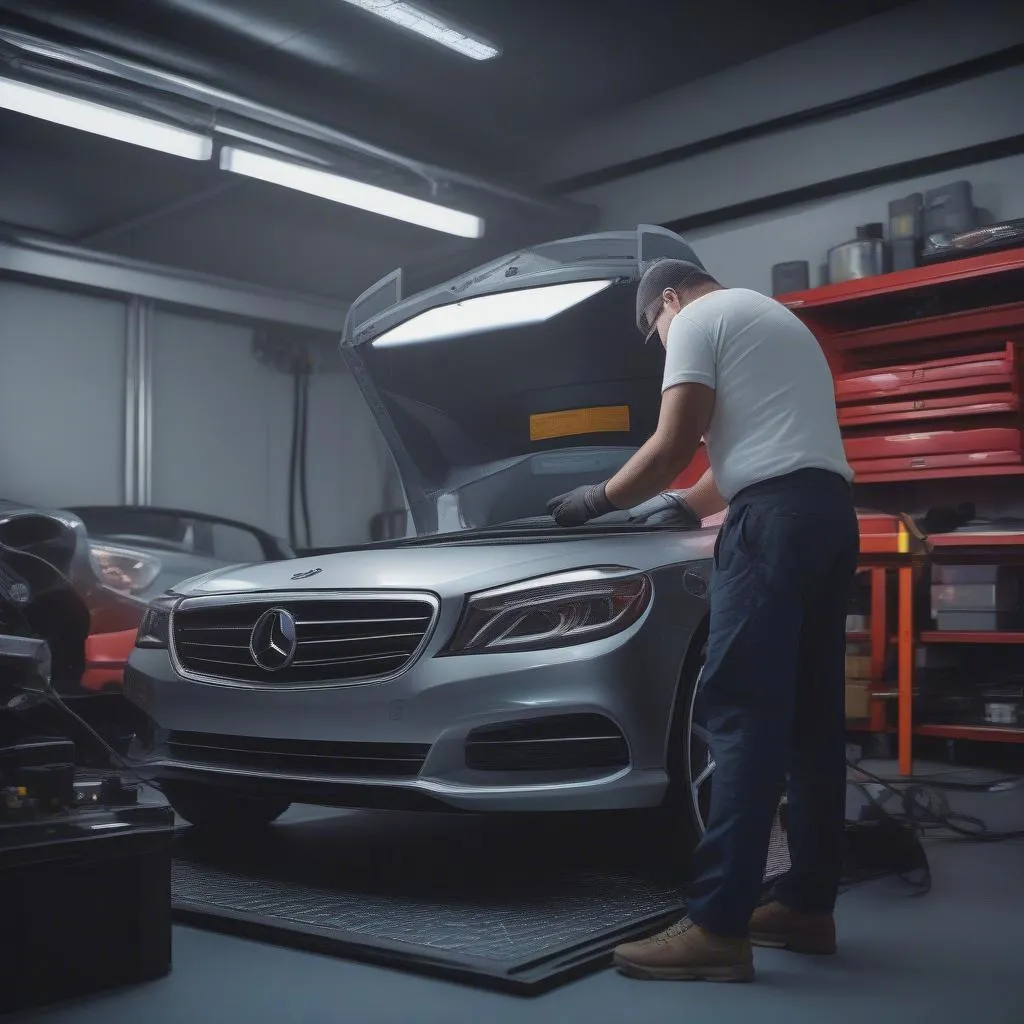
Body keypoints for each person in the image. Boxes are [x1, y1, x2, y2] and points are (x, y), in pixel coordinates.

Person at [546, 257, 858, 983]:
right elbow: (749, 452)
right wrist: (682, 507)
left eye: (656, 330)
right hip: (823, 514)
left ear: (669, 298)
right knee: (812, 723)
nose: (662, 342)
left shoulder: (694, 318)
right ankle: (808, 906)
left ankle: (717, 925)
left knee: (740, 711)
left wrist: (600, 499)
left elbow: (672, 441)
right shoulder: (772, 321)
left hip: (771, 523)